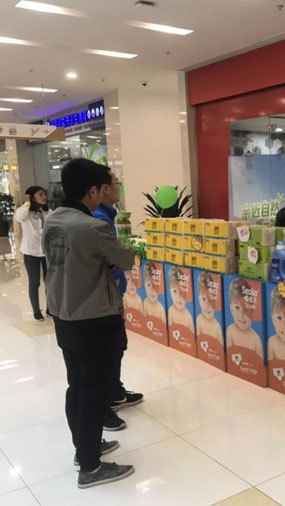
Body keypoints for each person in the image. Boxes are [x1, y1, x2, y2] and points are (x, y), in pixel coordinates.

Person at [43, 158, 135, 489]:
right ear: (93, 191)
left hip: (64, 315)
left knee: (78, 386)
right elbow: (125, 259)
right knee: (94, 391)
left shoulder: (53, 220)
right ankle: (91, 467)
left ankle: (85, 448)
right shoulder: (92, 226)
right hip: (94, 317)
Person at [91, 171, 143, 430]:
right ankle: (107, 402)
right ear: (103, 189)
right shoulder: (99, 220)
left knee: (116, 346)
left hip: (111, 293)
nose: (119, 188)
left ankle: (115, 391)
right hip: (104, 297)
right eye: (116, 184)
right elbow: (119, 258)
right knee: (109, 349)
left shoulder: (106, 216)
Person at [15, 186, 51, 321]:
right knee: (34, 282)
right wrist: (27, 203)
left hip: (47, 252)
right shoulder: (24, 212)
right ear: (31, 197)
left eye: (44, 194)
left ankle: (50, 309)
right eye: (40, 194)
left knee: (50, 282)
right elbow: (19, 217)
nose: (44, 197)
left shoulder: (48, 212)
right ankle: (36, 311)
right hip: (31, 251)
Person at [226, 278, 263, 358]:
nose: (241, 314)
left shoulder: (256, 340)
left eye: (246, 308)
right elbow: (229, 357)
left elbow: (259, 362)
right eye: (237, 308)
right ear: (231, 308)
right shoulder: (230, 332)